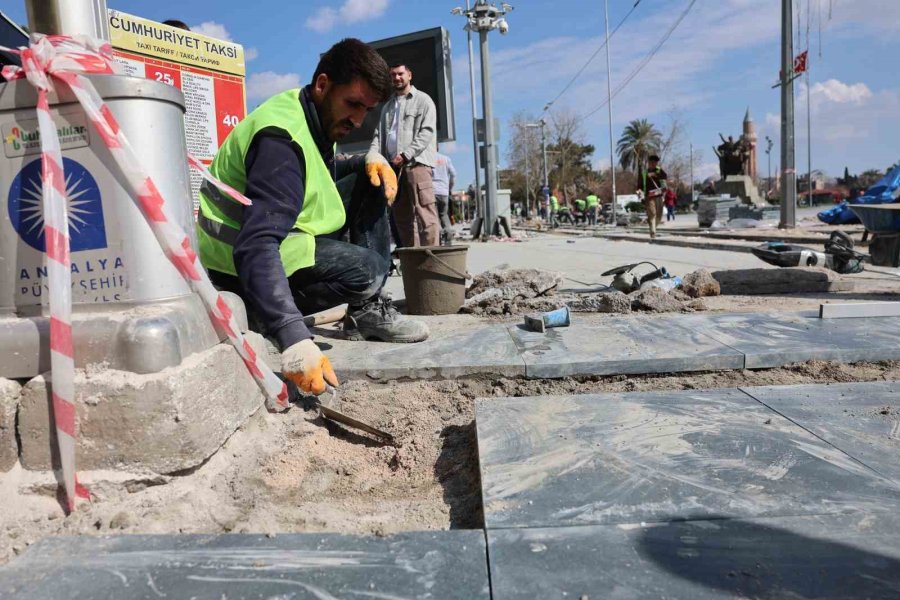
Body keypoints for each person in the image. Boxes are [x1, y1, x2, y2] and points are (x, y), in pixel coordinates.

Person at [196, 38, 429, 398]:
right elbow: (257, 243)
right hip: (238, 266)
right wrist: (291, 333)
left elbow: (316, 174)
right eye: (353, 104)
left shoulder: (313, 115)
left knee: (372, 180)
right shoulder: (280, 141)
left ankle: (365, 312)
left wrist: (366, 160)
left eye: (366, 110)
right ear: (323, 84)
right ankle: (262, 311)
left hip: (279, 238)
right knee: (367, 269)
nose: (358, 120)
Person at [369, 62, 439, 247]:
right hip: (394, 169)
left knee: (426, 215)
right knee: (402, 218)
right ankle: (412, 259)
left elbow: (426, 132)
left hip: (417, 165)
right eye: (393, 75)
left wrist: (406, 155)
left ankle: (431, 257)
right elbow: (378, 135)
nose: (397, 78)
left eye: (400, 74)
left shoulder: (423, 100)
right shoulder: (387, 107)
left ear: (409, 75)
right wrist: (372, 156)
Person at [639, 154, 667, 238]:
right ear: (649, 162)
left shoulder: (659, 171)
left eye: (656, 162)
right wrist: (640, 196)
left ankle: (654, 227)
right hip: (649, 196)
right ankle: (653, 231)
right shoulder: (644, 173)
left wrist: (654, 175)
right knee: (652, 213)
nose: (654, 163)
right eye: (652, 162)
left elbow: (664, 177)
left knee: (659, 215)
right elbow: (639, 186)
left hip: (659, 195)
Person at [431, 150, 456, 244]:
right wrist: (449, 188)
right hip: (444, 192)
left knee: (435, 216)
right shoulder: (446, 159)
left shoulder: (428, 158)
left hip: (432, 191)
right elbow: (453, 174)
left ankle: (439, 237)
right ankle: (448, 237)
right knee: (444, 215)